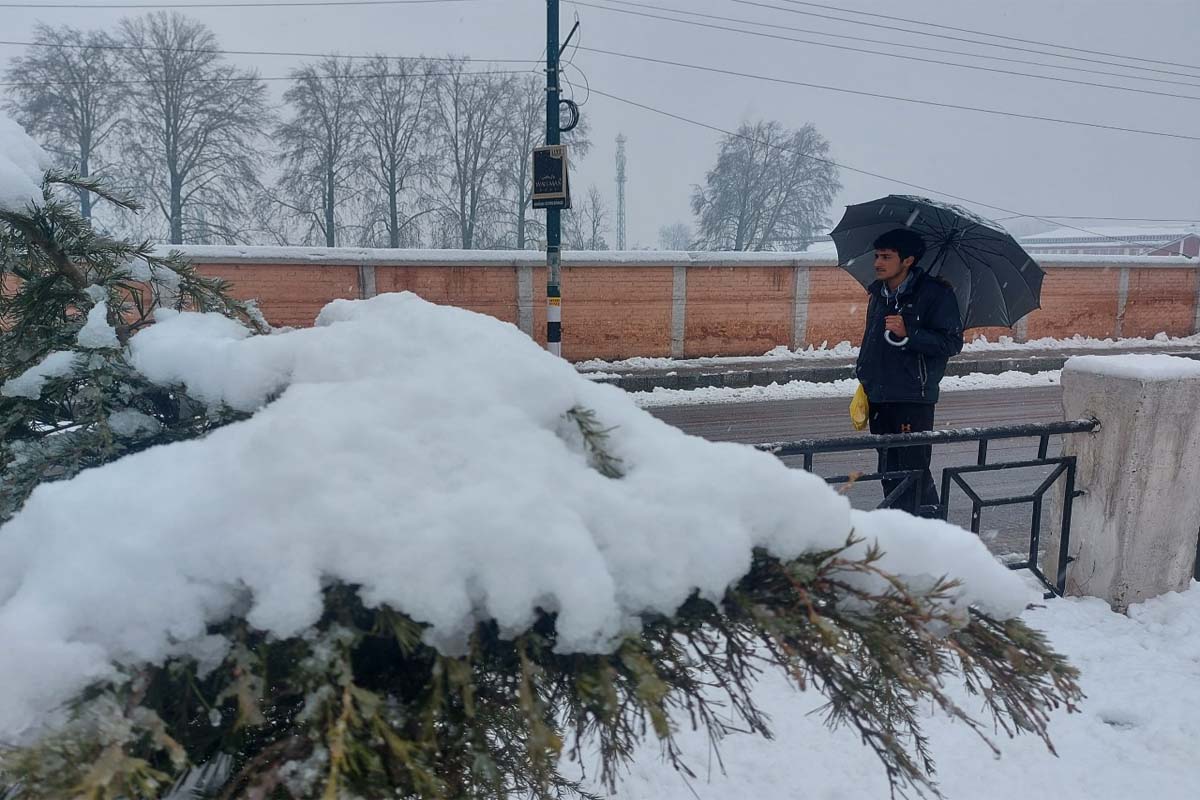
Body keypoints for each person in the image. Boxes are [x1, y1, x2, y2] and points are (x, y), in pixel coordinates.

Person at [855, 228, 963, 517]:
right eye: (877, 256)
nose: (878, 262)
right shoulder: (878, 293)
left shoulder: (935, 294)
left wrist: (909, 333)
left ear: (908, 260)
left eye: (886, 257)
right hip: (879, 396)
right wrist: (864, 376)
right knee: (888, 471)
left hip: (912, 398)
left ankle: (931, 533)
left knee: (913, 473)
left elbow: (951, 342)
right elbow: (872, 341)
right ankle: (899, 529)